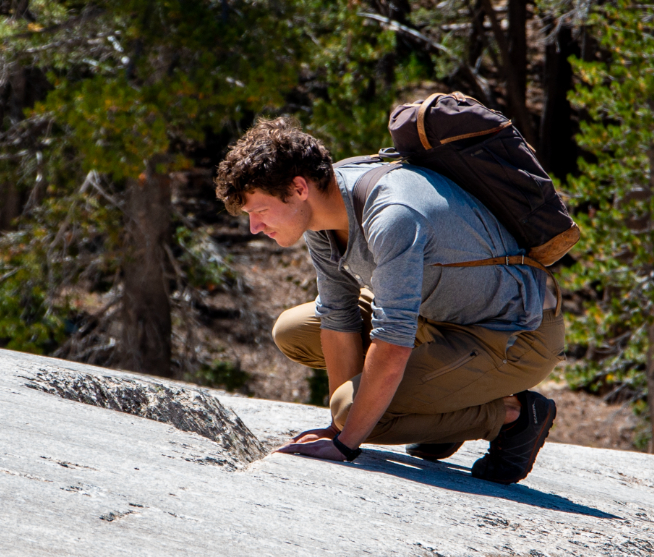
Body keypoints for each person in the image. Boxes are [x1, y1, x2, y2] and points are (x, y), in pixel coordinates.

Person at [213, 117, 563, 484]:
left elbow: (393, 338)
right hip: (433, 317)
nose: (254, 227)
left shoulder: (392, 214)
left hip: (516, 335)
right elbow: (338, 315)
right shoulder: (323, 211)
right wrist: (338, 427)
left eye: (259, 211)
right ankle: (442, 409)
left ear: (299, 187)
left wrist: (348, 440)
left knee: (360, 415)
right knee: (295, 331)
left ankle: (513, 414)